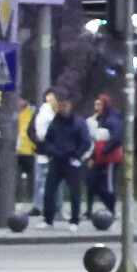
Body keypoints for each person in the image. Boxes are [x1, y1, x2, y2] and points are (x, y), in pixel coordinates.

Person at [39, 95, 90, 229]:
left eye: (65, 104)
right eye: (61, 105)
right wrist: (51, 151)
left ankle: (74, 220)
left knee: (74, 192)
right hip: (56, 160)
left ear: (71, 105)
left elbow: (85, 141)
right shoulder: (55, 122)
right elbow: (48, 139)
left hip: (71, 161)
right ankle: (48, 219)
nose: (63, 107)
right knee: (50, 190)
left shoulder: (78, 123)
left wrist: (76, 155)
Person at [86, 94, 125, 221]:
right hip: (100, 156)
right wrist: (94, 156)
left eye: (99, 104)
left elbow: (116, 138)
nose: (96, 107)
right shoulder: (100, 119)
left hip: (110, 158)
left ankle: (112, 208)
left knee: (107, 185)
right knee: (93, 183)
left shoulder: (112, 120)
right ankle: (96, 208)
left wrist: (104, 151)